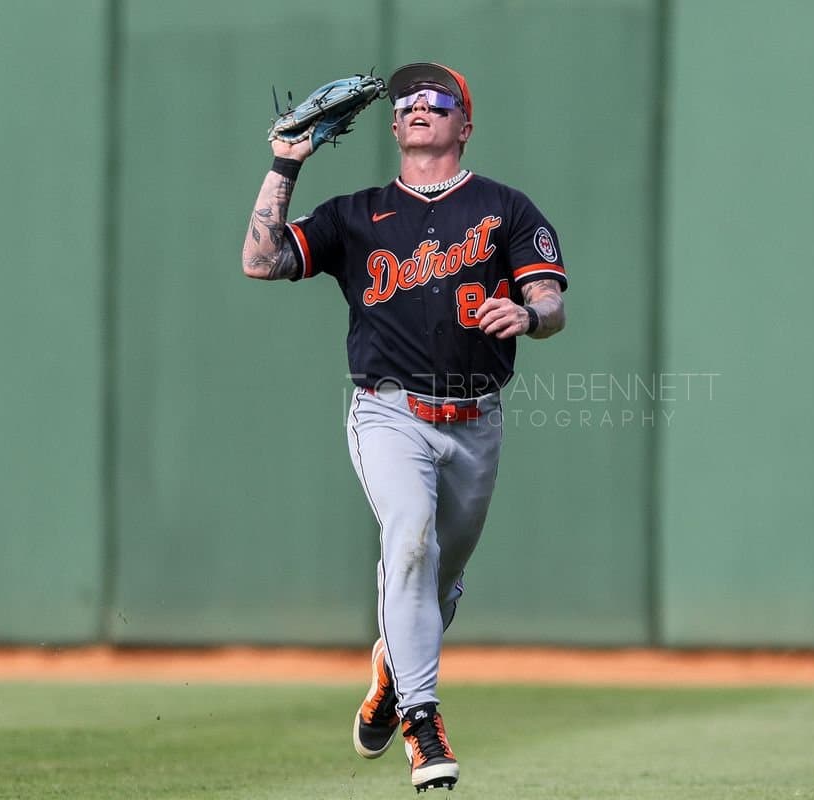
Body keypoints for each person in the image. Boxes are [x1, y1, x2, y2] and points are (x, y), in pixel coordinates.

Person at [241, 62, 567, 792]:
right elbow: (261, 261)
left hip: (475, 422)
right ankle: (422, 720)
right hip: (388, 412)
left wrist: (529, 314)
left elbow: (550, 302)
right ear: (392, 126)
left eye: (438, 100)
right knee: (410, 537)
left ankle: (392, 672)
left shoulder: (506, 209)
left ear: (464, 124)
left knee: (438, 581)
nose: (419, 107)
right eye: (408, 102)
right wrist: (284, 163)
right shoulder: (354, 214)